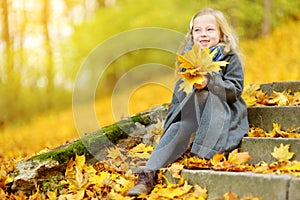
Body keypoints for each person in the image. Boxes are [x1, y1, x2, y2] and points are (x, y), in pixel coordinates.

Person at [127, 7, 249, 196]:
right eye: (197, 30)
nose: (203, 34)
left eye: (210, 29)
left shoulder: (229, 58)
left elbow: (235, 91)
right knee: (177, 128)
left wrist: (210, 82)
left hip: (222, 116)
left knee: (205, 94)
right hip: (193, 118)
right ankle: (148, 175)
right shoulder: (188, 62)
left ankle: (201, 157)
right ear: (191, 35)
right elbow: (178, 102)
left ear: (222, 33)